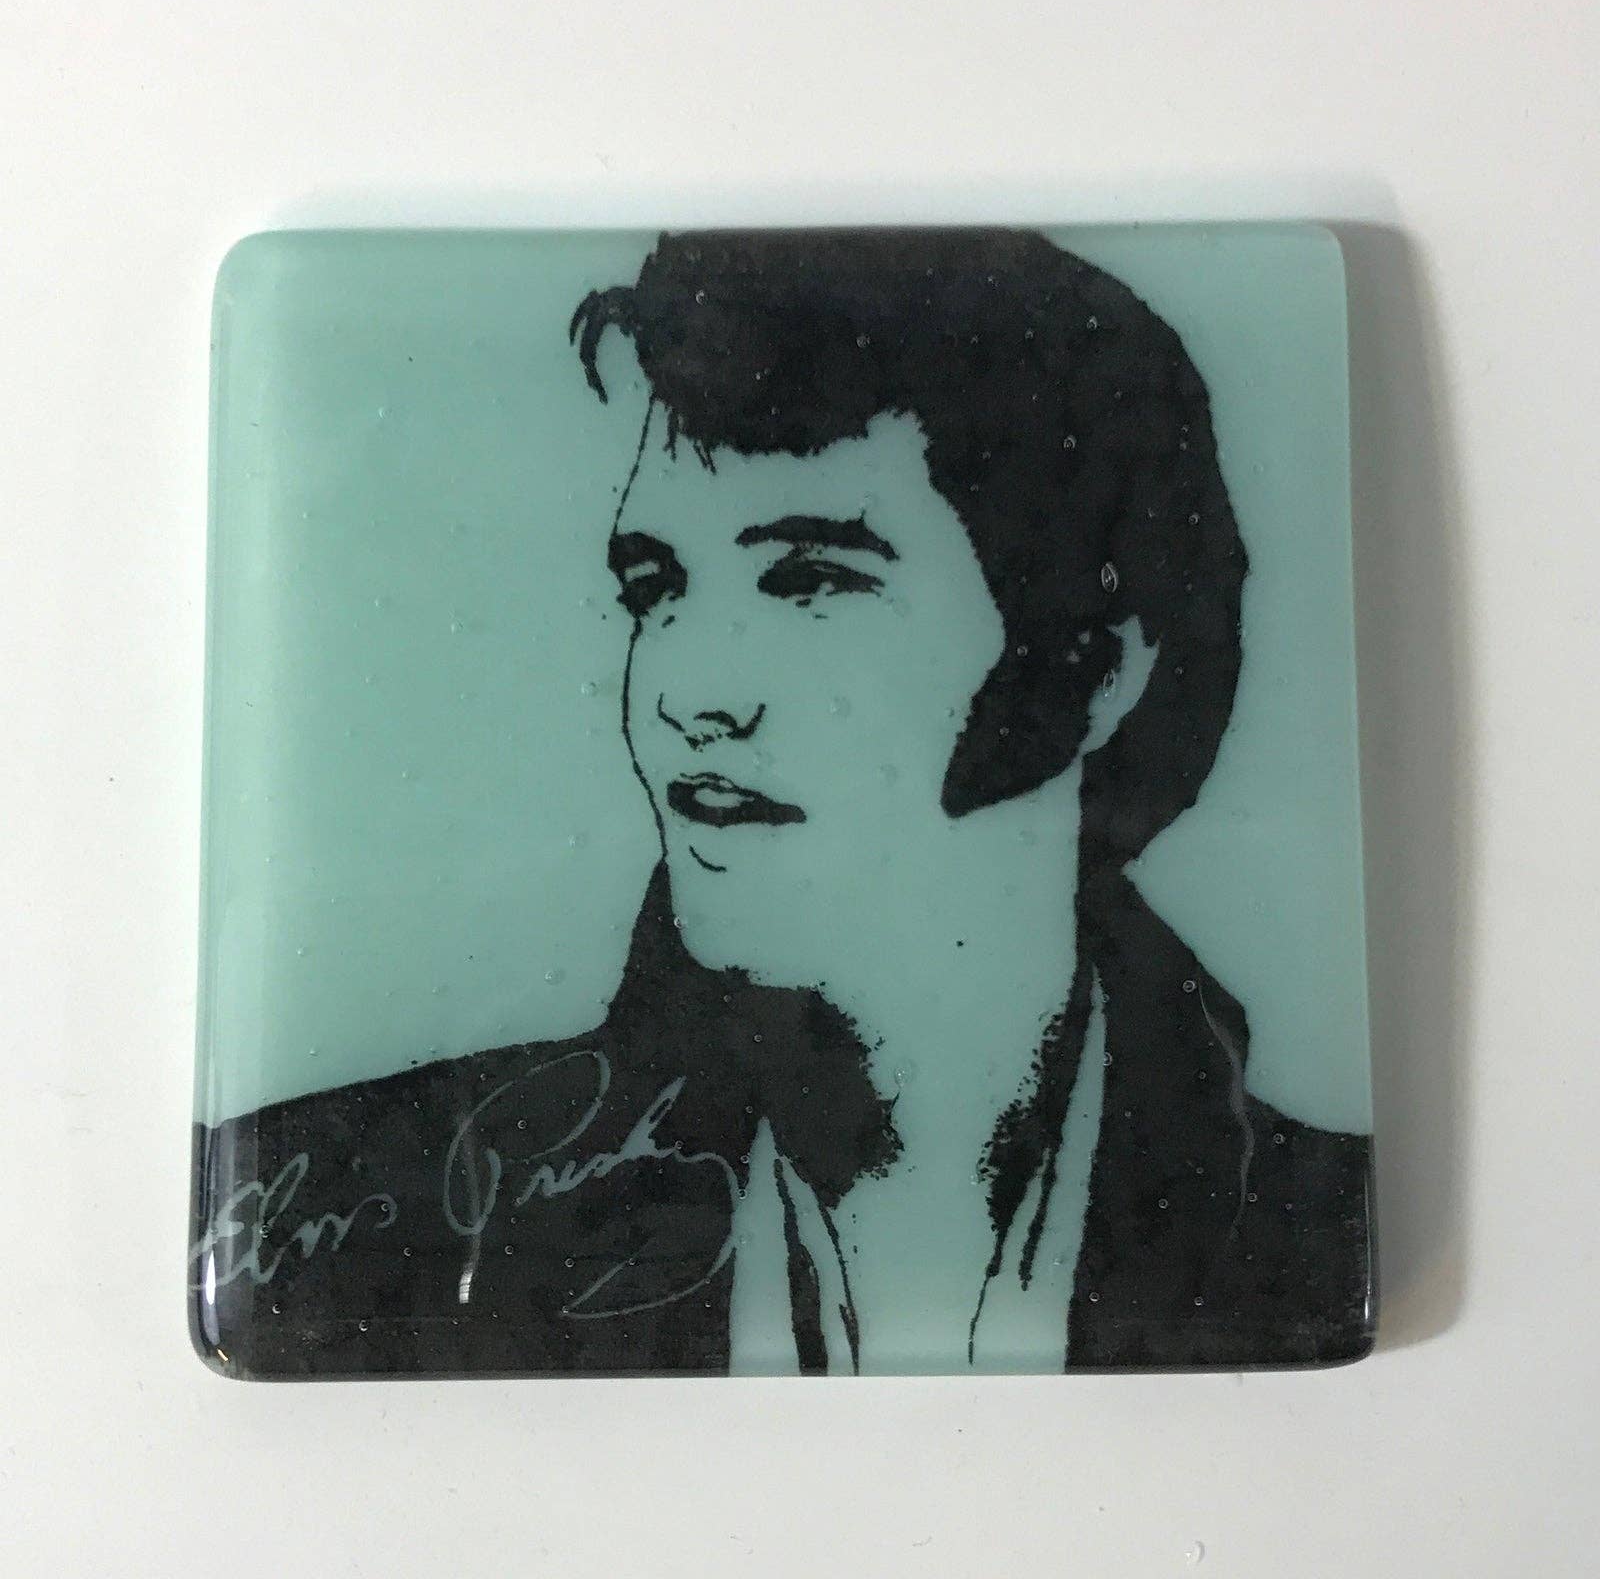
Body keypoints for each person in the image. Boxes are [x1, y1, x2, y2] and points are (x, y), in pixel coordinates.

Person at [189, 229, 1373, 1379]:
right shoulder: (341, 1224)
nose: (689, 691)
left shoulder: (1311, 1234)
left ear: (1096, 660)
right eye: (656, 587)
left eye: (810, 578)